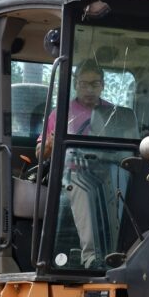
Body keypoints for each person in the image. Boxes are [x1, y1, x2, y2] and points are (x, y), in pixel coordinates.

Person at [36, 61, 138, 270]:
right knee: (84, 188)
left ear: (103, 85)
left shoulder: (114, 113)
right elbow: (39, 153)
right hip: (73, 171)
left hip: (108, 170)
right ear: (75, 84)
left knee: (127, 183)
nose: (89, 90)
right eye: (84, 84)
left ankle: (129, 253)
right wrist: (50, 143)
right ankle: (93, 258)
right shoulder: (60, 113)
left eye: (95, 84)